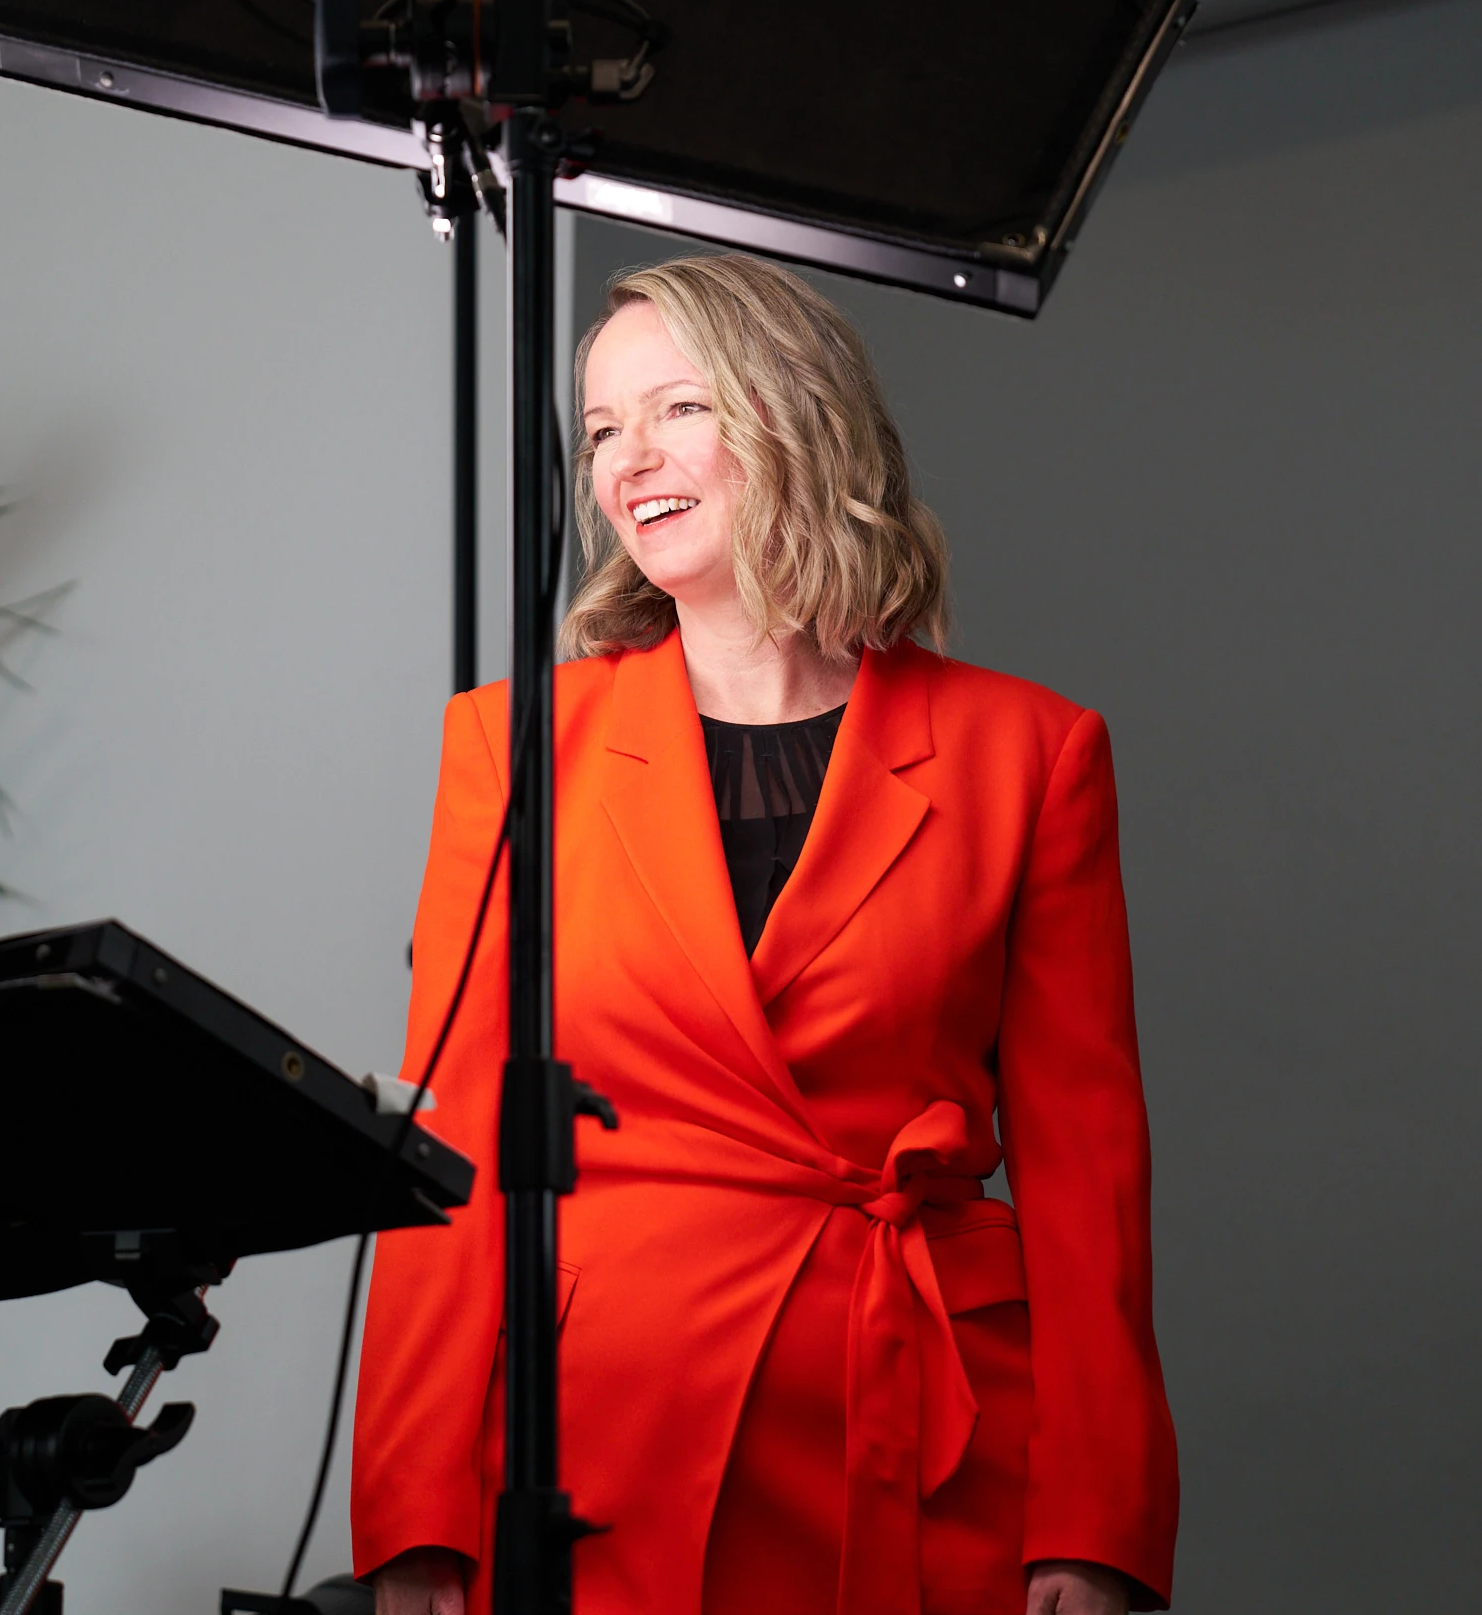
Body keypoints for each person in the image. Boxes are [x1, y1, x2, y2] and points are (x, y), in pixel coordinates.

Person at [348, 255, 1177, 1615]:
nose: (628, 461)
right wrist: (414, 1515)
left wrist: (1098, 1521)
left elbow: (1090, 1177)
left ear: (797, 417)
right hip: (604, 1438)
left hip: (922, 1437)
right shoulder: (512, 746)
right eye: (601, 430)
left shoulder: (1030, 751)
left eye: (678, 409)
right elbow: (464, 1145)